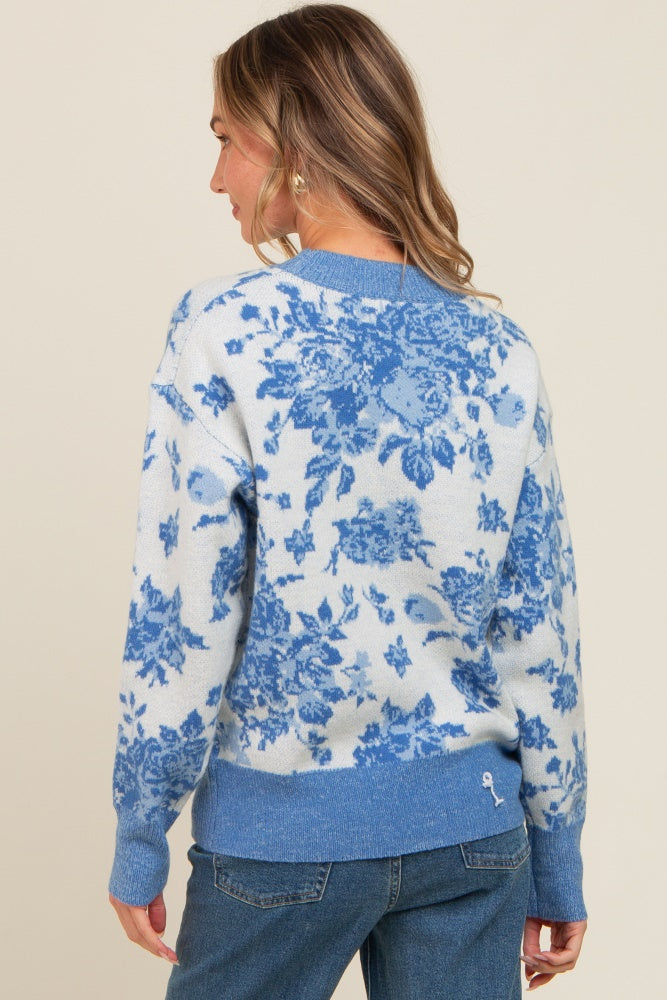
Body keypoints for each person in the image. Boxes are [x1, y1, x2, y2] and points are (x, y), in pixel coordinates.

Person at [108, 4, 587, 997]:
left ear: (291, 149)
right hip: (474, 835)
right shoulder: (498, 349)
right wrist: (557, 853)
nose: (216, 178)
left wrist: (141, 829)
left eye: (225, 141)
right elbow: (537, 629)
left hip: (283, 839)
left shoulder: (224, 328)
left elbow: (182, 611)